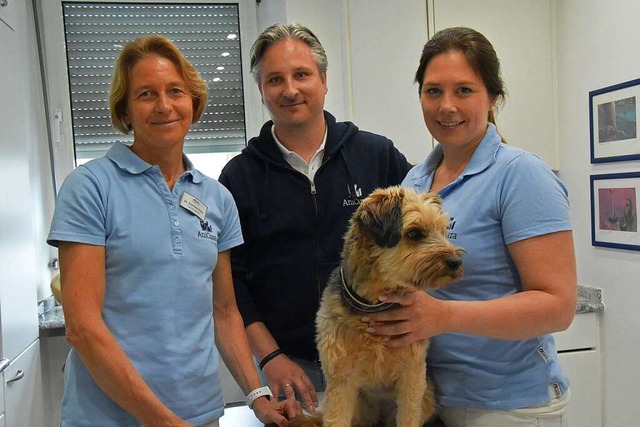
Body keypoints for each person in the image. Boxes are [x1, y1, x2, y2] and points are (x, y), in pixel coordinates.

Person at [47, 34, 301, 427]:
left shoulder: (216, 198)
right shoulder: (91, 186)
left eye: (175, 91)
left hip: (199, 414)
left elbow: (225, 311)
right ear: (126, 110)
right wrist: (163, 421)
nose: (164, 105)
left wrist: (257, 397)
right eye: (146, 94)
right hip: (106, 418)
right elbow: (82, 328)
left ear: (193, 104)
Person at [363, 27, 578, 427]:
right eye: (433, 91)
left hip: (506, 405)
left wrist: (443, 316)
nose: (446, 106)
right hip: (430, 399)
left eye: (464, 90)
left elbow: (558, 306)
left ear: (492, 96)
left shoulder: (519, 175)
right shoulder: (414, 183)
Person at [218, 23, 411, 412]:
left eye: (301, 74)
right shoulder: (239, 177)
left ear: (323, 80)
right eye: (275, 79)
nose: (290, 90)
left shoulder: (376, 156)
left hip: (380, 363)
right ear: (261, 91)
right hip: (293, 374)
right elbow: (232, 288)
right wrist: (270, 359)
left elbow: (422, 240)